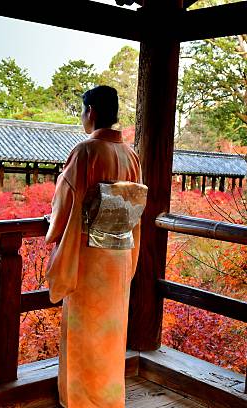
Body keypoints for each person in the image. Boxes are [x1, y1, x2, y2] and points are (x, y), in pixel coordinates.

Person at [45, 85, 144, 407]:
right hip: (118, 254)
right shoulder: (130, 155)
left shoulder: (86, 151)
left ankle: (82, 400)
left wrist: (54, 227)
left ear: (92, 112)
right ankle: (109, 398)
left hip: (89, 255)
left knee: (85, 330)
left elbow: (65, 200)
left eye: (83, 110)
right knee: (111, 332)